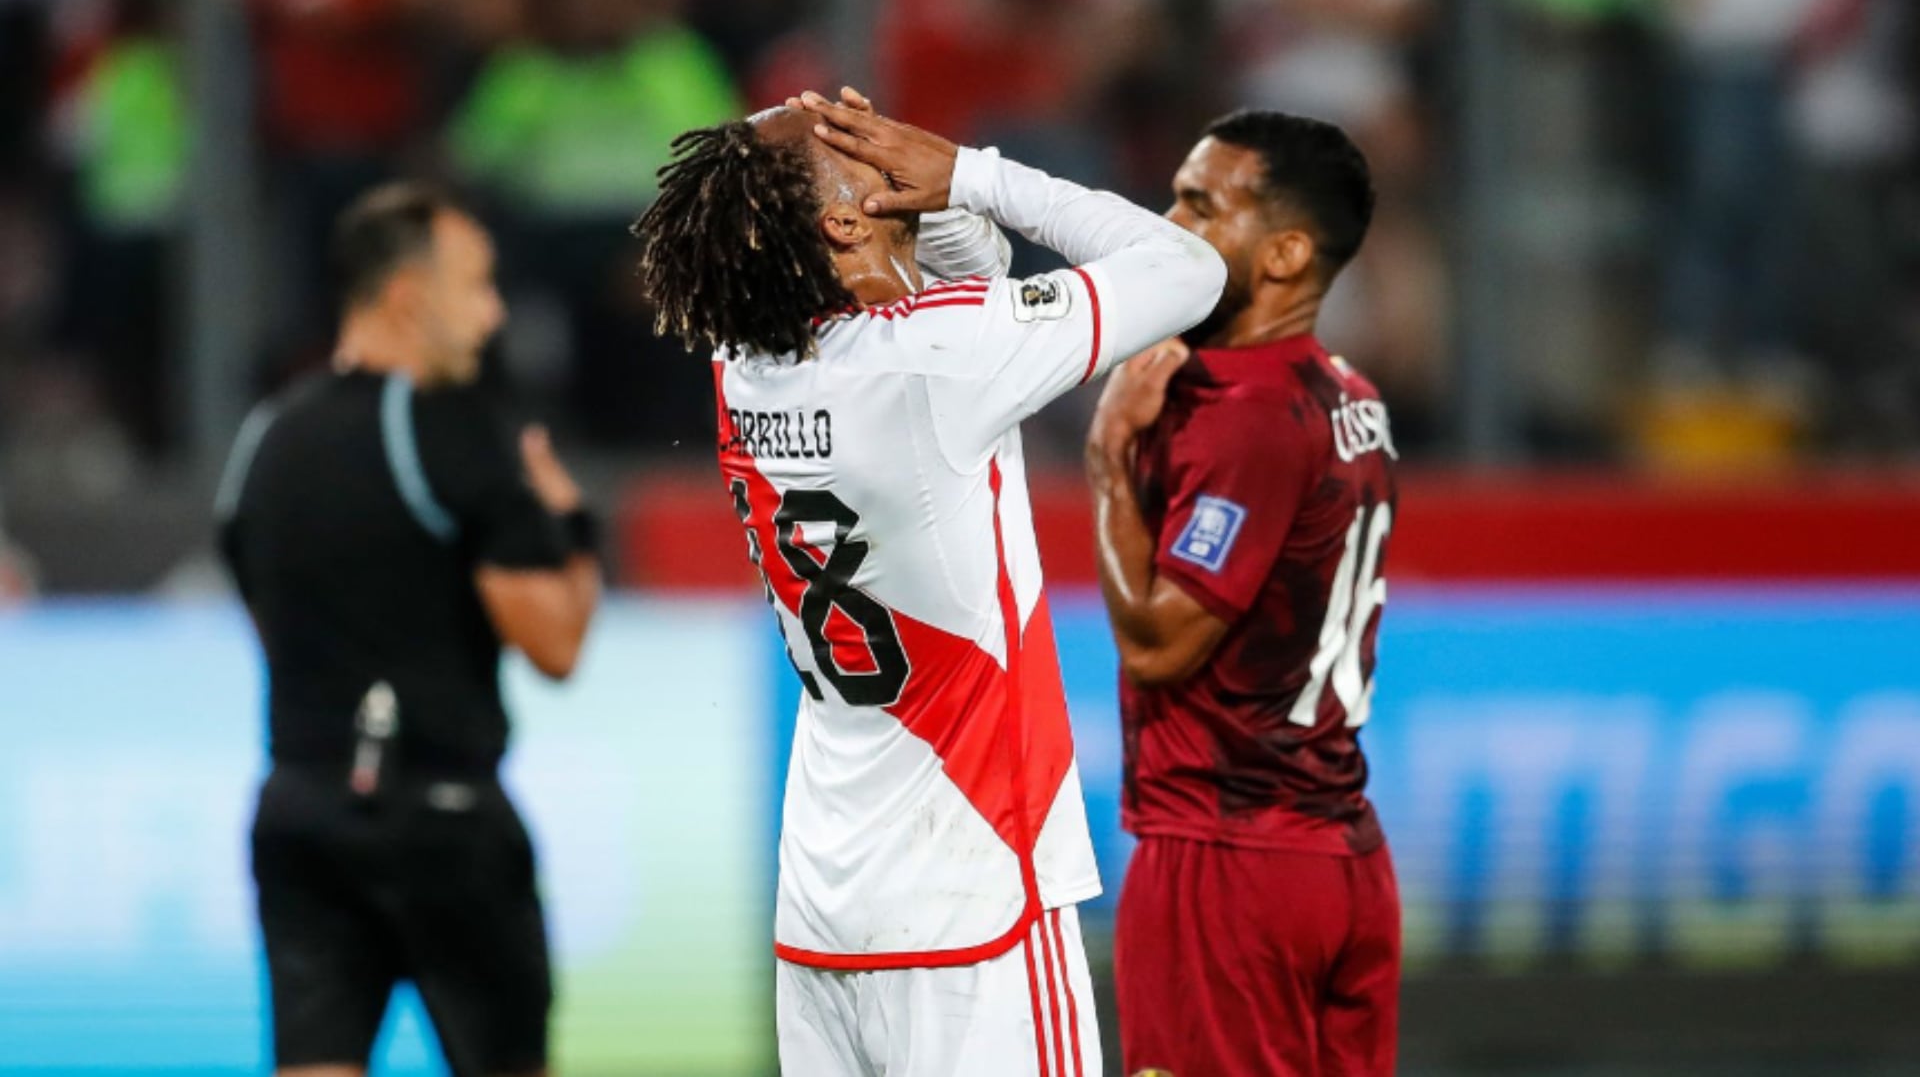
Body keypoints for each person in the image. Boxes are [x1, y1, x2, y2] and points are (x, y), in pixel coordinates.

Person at [630, 88, 1224, 1075]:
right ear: (844, 221)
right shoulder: (941, 356)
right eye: (859, 157)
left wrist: (920, 202)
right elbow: (1188, 269)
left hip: (826, 911)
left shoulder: (743, 362)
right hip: (975, 897)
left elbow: (966, 277)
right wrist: (968, 172)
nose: (886, 151)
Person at [215, 182, 602, 1077]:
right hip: (444, 821)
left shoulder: (264, 436)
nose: (493, 313)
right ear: (407, 297)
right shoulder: (452, 427)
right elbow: (555, 646)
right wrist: (569, 528)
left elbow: (257, 598)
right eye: (476, 285)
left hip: (300, 809)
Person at [1084, 111, 1399, 1077]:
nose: (1164, 222)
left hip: (1225, 864)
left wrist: (1108, 465)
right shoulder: (1349, 393)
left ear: (1286, 253)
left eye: (1199, 204)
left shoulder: (1245, 411)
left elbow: (1158, 644)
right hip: (1343, 858)